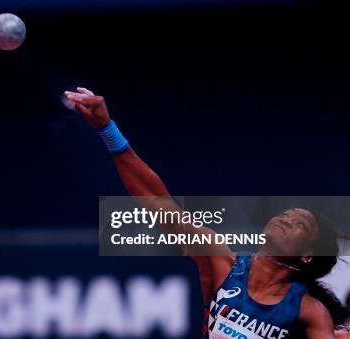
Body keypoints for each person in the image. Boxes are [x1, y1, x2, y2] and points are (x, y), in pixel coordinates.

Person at [64, 87, 349, 338]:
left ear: (307, 255)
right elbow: (158, 202)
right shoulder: (220, 262)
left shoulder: (309, 312)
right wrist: (107, 129)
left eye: (300, 223)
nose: (286, 218)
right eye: (287, 213)